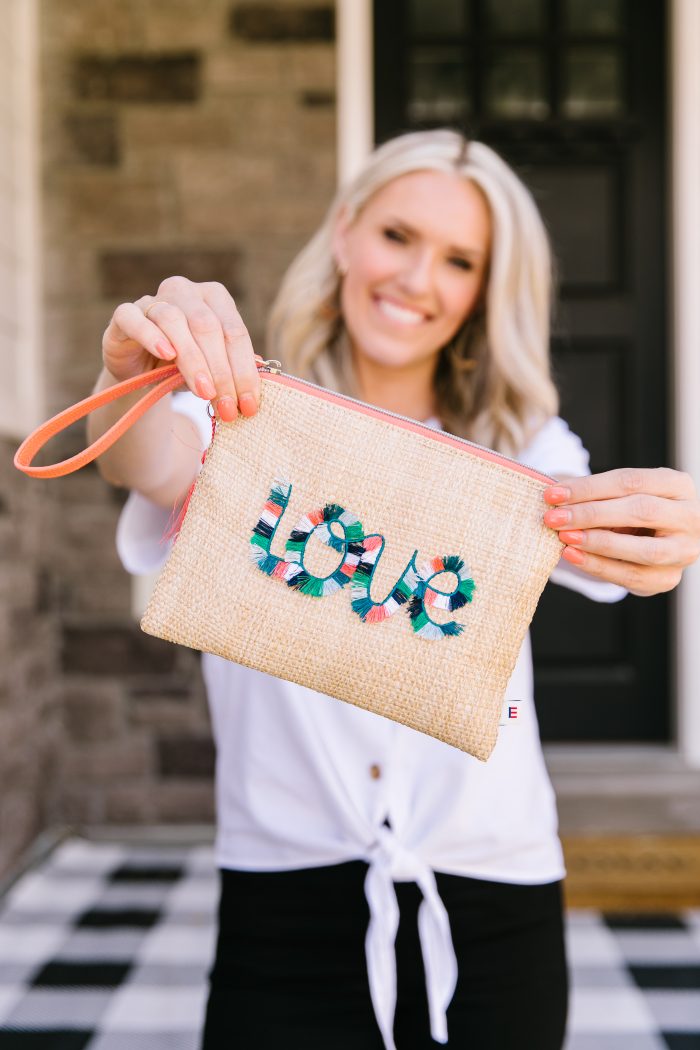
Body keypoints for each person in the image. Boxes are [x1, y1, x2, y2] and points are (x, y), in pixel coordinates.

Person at [88, 130, 700, 1050]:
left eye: (460, 260)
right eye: (397, 236)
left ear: (485, 291)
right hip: (282, 889)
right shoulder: (235, 411)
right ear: (343, 233)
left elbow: (614, 553)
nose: (419, 278)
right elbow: (147, 459)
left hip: (494, 891)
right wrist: (125, 375)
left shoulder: (522, 441)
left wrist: (659, 534)